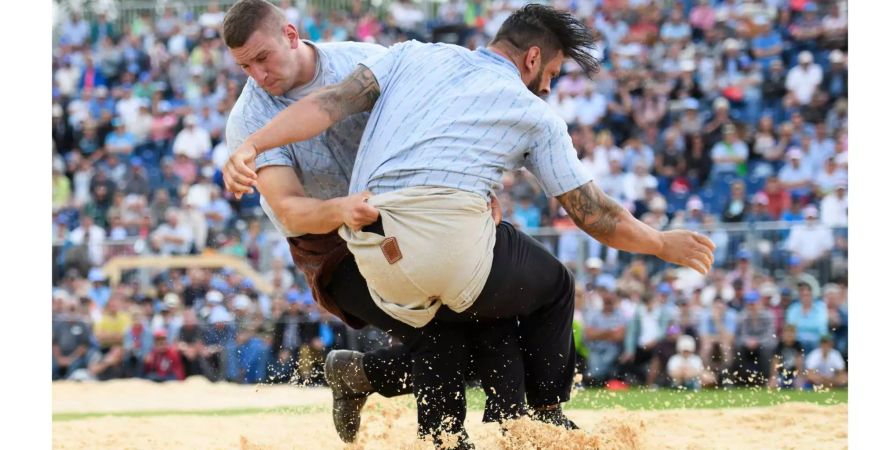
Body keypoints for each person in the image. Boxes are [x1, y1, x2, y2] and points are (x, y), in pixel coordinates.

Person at [223, 2, 715, 444]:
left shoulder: (401, 55)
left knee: (466, 325)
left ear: (291, 35)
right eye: (246, 65)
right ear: (532, 59)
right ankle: (531, 422)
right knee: (501, 308)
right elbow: (289, 208)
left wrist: (478, 186)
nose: (257, 74)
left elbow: (379, 118)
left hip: (382, 232)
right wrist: (659, 243)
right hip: (332, 242)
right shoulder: (255, 116)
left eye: (262, 58)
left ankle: (428, 422)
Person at [769, 324, 805, 390]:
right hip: (781, 375)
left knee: (800, 386)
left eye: (791, 333)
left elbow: (799, 362)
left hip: (794, 376)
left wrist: (800, 376)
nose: (789, 335)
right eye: (787, 333)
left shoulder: (798, 345)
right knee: (772, 385)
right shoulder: (779, 345)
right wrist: (773, 377)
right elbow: (775, 362)